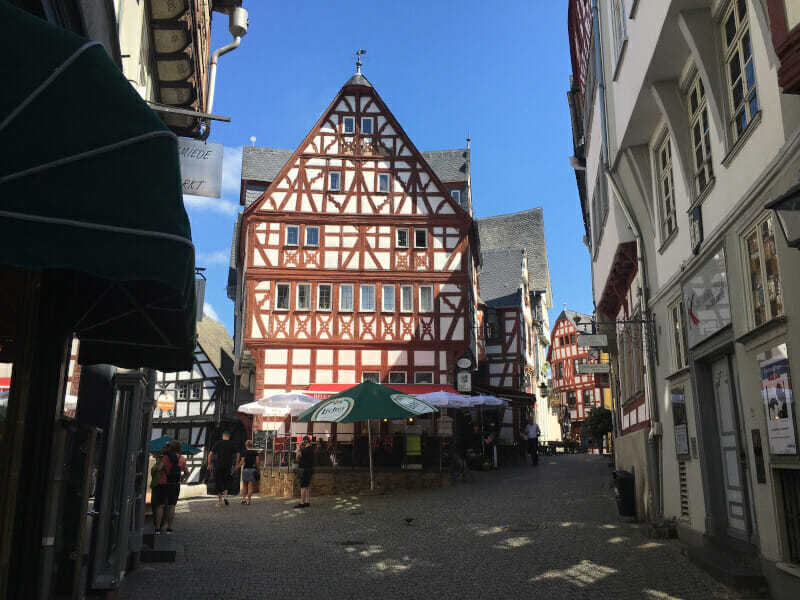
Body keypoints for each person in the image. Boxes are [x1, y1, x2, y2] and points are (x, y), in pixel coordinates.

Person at [153, 440, 188, 534]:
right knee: (172, 507)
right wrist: (181, 478)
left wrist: (156, 467)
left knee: (160, 505)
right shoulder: (181, 458)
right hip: (175, 484)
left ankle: (157, 528)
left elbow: (159, 468)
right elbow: (186, 472)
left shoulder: (165, 457)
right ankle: (169, 528)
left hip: (163, 484)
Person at [208, 431, 240, 508]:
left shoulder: (218, 443)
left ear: (223, 436)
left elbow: (210, 454)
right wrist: (236, 465)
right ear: (229, 436)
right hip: (228, 466)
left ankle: (219, 502)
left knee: (218, 483)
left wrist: (209, 464)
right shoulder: (232, 444)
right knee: (227, 481)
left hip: (219, 466)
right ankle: (225, 496)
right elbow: (238, 454)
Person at [237, 440, 261, 505]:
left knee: (244, 485)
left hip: (245, 469)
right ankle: (248, 501)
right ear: (252, 445)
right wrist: (258, 470)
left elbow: (242, 462)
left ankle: (243, 499)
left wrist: (237, 467)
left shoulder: (244, 452)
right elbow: (257, 462)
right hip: (252, 469)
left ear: (246, 445)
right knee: (250, 486)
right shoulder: (255, 452)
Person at [295, 435, 314, 508]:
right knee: (308, 485)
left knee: (302, 486)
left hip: (304, 469)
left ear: (305, 442)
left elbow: (297, 457)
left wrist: (299, 447)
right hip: (310, 469)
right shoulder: (311, 449)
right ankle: (307, 501)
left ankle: (302, 502)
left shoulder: (305, 450)